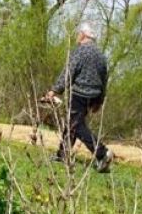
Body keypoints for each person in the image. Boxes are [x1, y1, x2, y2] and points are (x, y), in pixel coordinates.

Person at [45, 21, 113, 173]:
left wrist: (55, 90)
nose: (77, 36)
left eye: (78, 34)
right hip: (94, 95)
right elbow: (104, 79)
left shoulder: (80, 51)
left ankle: (102, 153)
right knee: (72, 123)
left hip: (80, 93)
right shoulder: (101, 55)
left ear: (83, 35)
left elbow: (68, 73)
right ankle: (63, 154)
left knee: (77, 125)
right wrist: (100, 100)